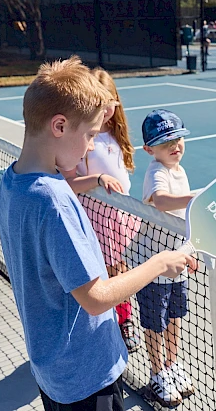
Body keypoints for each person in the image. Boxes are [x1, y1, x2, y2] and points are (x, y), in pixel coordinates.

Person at [0, 57, 196, 411]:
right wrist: (160, 262)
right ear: (59, 125)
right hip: (86, 376)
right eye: (90, 135)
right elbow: (97, 297)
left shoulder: (12, 180)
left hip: (54, 370)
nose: (92, 146)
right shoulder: (53, 200)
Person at [61, 68, 141, 354]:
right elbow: (69, 183)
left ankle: (124, 318)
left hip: (121, 214)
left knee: (119, 268)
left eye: (110, 102)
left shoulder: (116, 132)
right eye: (100, 102)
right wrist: (97, 180)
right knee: (105, 271)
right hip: (96, 215)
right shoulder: (82, 137)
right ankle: (118, 320)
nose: (106, 109)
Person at [138, 109, 197, 407]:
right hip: (154, 265)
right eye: (165, 142)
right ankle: (157, 372)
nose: (174, 146)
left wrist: (191, 250)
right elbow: (161, 202)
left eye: (177, 138)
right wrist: (193, 199)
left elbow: (183, 219)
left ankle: (172, 365)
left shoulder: (179, 170)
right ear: (149, 150)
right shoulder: (156, 172)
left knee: (174, 318)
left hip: (178, 262)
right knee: (154, 324)